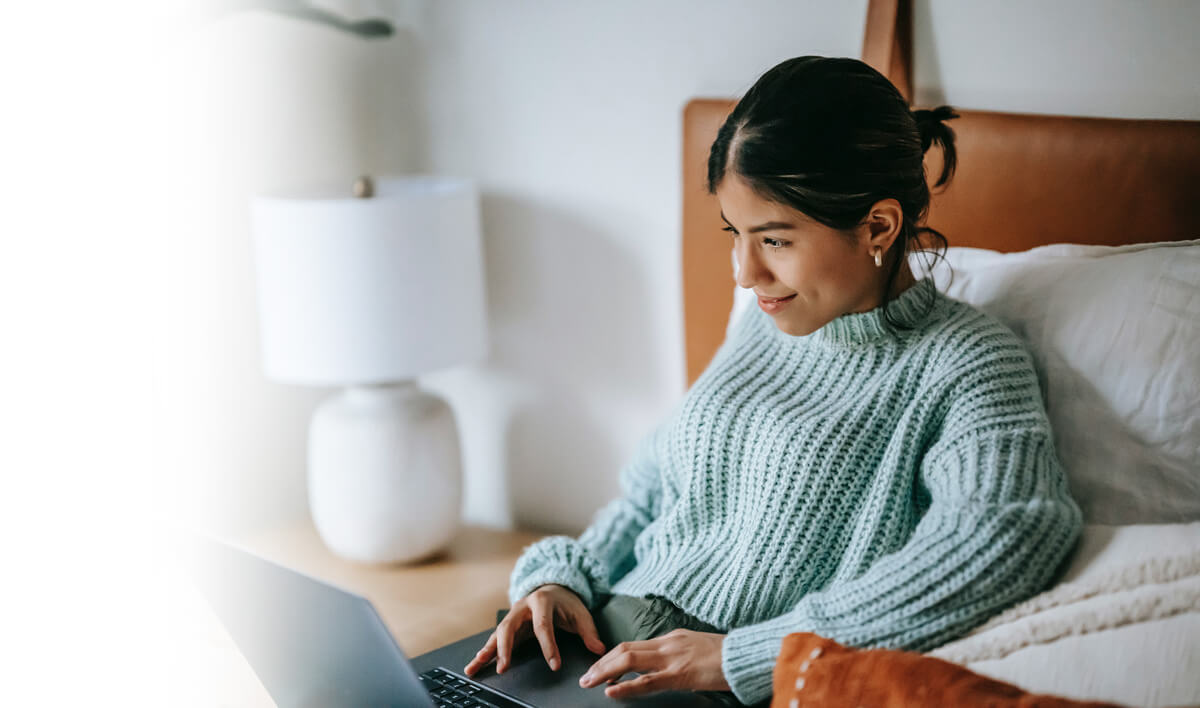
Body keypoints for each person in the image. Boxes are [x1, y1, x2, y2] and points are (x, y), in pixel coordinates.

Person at [463, 55, 1083, 707]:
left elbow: (1007, 534)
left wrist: (753, 655)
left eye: (775, 240)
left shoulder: (968, 361)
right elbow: (652, 496)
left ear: (878, 225)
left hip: (728, 684)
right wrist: (563, 582)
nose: (743, 272)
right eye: (735, 233)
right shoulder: (763, 326)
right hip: (597, 642)